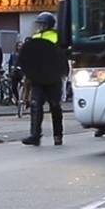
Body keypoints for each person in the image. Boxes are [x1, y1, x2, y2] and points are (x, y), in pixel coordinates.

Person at [22, 12, 65, 147]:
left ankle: (58, 135)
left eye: (43, 24)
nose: (40, 26)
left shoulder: (57, 37)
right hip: (38, 78)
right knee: (35, 105)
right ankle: (35, 135)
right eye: (39, 23)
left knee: (55, 106)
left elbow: (62, 56)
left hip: (52, 77)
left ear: (49, 25)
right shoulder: (34, 37)